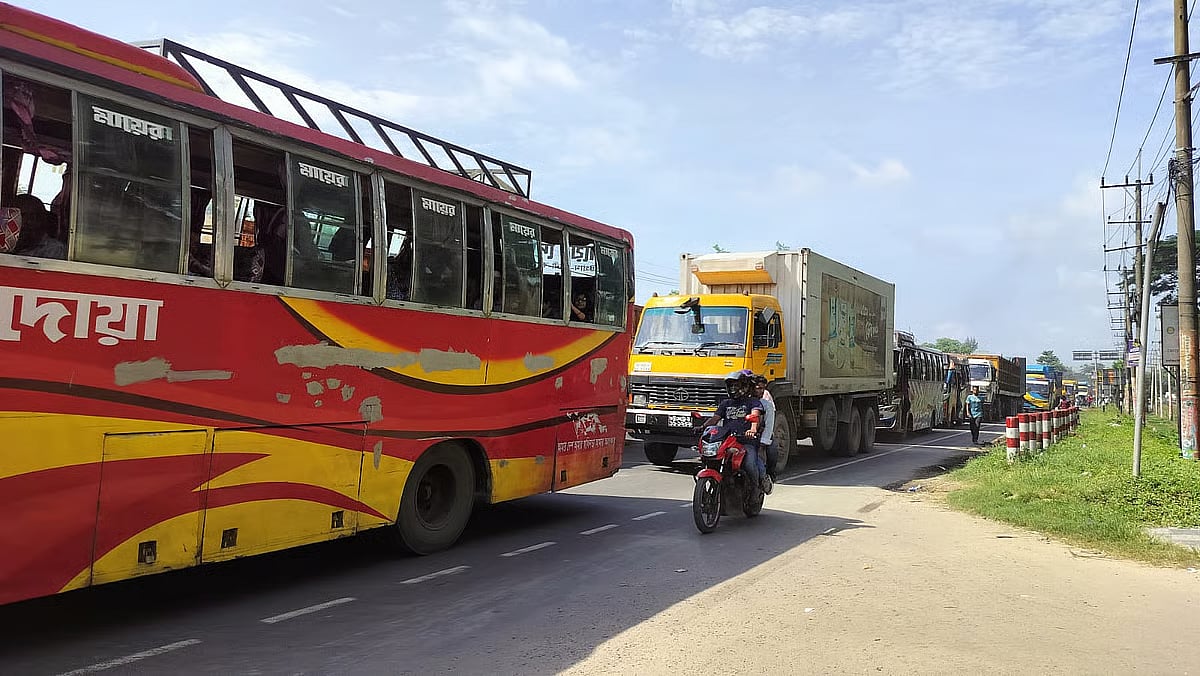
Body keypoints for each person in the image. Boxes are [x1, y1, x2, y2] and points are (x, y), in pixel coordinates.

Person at [700, 370, 767, 496]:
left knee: (749, 463)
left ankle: (755, 489)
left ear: (745, 386)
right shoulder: (726, 403)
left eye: (736, 385)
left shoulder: (753, 402)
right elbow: (715, 419)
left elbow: (755, 416)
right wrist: (702, 427)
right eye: (731, 386)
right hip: (728, 441)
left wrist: (752, 429)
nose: (733, 388)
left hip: (746, 442)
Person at [11, 193, 65, 260]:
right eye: (22, 216)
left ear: (41, 219)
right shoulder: (8, 245)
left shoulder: (54, 249)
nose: (28, 222)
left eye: (33, 216)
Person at [752, 374, 777, 491]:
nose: (760, 391)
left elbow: (769, 424)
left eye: (762, 388)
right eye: (758, 388)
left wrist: (763, 443)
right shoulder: (743, 399)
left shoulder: (766, 401)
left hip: (762, 433)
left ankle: (770, 475)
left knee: (772, 450)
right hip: (745, 435)